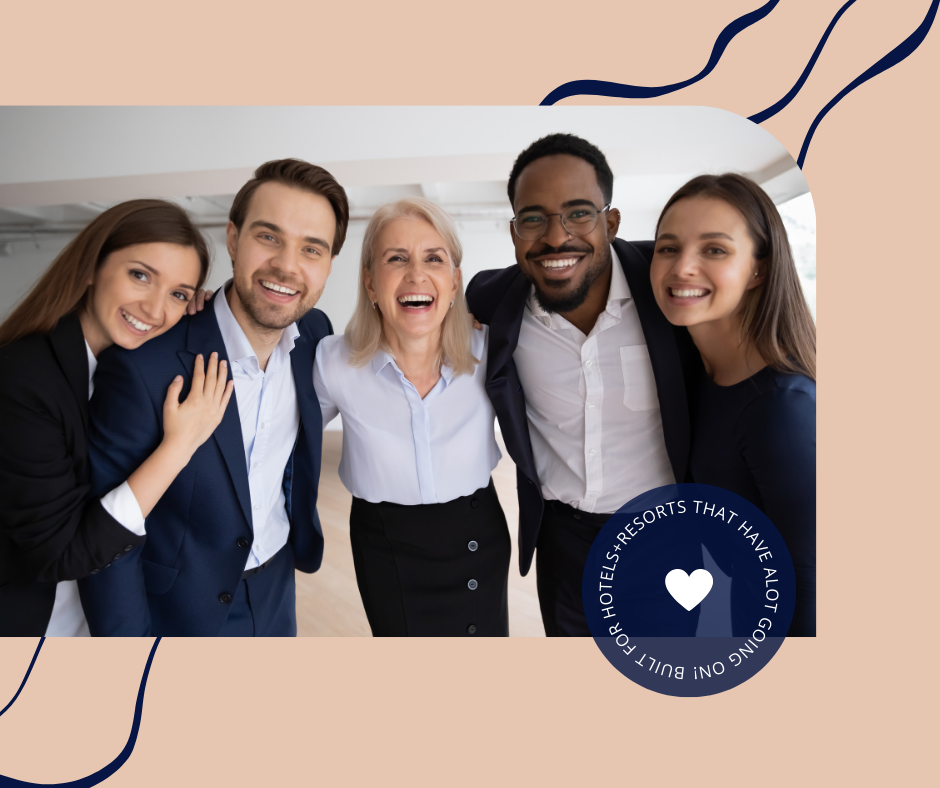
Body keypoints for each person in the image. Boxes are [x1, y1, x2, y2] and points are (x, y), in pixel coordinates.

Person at [77, 159, 349, 636]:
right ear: (232, 238)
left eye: (312, 249)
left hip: (276, 591)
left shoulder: (315, 335)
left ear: (328, 265)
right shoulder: (146, 365)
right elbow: (106, 531)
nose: (287, 265)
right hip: (177, 612)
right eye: (269, 237)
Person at [465, 133, 703, 637]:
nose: (555, 237)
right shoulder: (492, 300)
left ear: (611, 222)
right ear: (513, 232)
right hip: (563, 543)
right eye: (533, 218)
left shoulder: (669, 290)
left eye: (578, 213)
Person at [0, 199, 231, 637]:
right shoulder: (23, 379)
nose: (156, 309)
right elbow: (57, 554)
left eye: (179, 293)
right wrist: (179, 447)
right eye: (140, 275)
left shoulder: (116, 371)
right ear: (91, 267)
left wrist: (196, 314)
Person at [314, 198, 510, 636]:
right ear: (369, 282)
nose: (416, 275)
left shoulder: (490, 351)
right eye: (396, 258)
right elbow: (281, 432)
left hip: (477, 537)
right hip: (385, 548)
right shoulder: (332, 362)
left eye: (434, 259)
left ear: (455, 281)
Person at [650, 173, 816, 637]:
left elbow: (808, 584)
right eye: (668, 247)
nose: (682, 267)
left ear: (759, 269)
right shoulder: (698, 375)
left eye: (715, 250)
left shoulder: (783, 407)